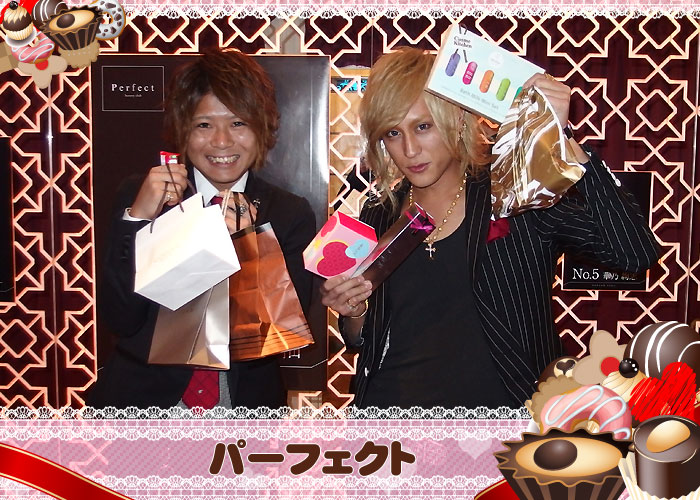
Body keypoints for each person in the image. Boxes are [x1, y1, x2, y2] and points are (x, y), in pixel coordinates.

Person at [320, 47, 660, 409]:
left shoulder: (516, 195)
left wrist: (562, 137)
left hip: (503, 419)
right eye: (392, 132)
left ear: (457, 119)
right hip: (396, 420)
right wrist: (354, 312)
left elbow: (633, 253)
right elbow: (363, 338)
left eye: (423, 126)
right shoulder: (378, 214)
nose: (410, 149)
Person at [88, 49, 316, 409]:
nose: (222, 141)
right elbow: (121, 319)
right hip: (143, 404)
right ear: (183, 131)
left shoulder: (288, 212)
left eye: (238, 123)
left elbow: (278, 337)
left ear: (261, 128)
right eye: (204, 125)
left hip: (242, 405)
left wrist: (250, 250)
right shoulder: (144, 196)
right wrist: (138, 220)